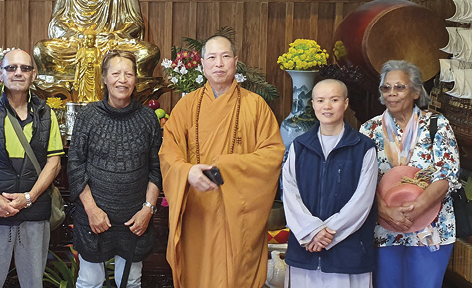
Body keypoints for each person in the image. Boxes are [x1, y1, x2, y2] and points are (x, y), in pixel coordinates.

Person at [158, 35, 285, 288]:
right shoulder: (186, 106)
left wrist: (228, 167)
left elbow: (272, 154)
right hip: (197, 211)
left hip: (239, 213)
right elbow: (168, 152)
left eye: (225, 56)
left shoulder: (256, 106)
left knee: (235, 275)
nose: (219, 63)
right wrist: (186, 172)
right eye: (212, 57)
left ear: (235, 62)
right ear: (203, 64)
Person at [0, 49, 64, 288]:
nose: (18, 73)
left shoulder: (46, 114)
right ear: (1, 73)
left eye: (25, 68)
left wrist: (29, 197)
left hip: (34, 211)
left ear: (34, 74)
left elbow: (54, 162)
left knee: (33, 282)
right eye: (11, 68)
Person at [360, 60, 460, 288]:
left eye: (399, 87)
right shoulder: (369, 129)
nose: (391, 93)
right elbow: (362, 180)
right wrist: (387, 212)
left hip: (431, 226)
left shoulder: (436, 124)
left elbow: (447, 174)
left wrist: (415, 209)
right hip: (383, 226)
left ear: (416, 92)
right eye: (386, 88)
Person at [68, 50, 163, 288]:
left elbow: (157, 168)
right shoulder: (88, 116)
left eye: (129, 74)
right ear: (104, 78)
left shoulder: (148, 119)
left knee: (130, 280)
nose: (122, 79)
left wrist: (148, 210)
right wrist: (91, 210)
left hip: (135, 219)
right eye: (116, 73)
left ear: (135, 80)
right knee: (90, 281)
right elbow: (75, 165)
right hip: (94, 218)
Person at [282, 79, 378, 287]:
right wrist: (313, 231)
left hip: (348, 253)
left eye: (334, 100)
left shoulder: (364, 148)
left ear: (345, 104)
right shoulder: (300, 146)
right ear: (313, 104)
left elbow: (363, 200)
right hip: (305, 250)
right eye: (320, 100)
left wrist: (326, 234)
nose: (327, 106)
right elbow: (290, 194)